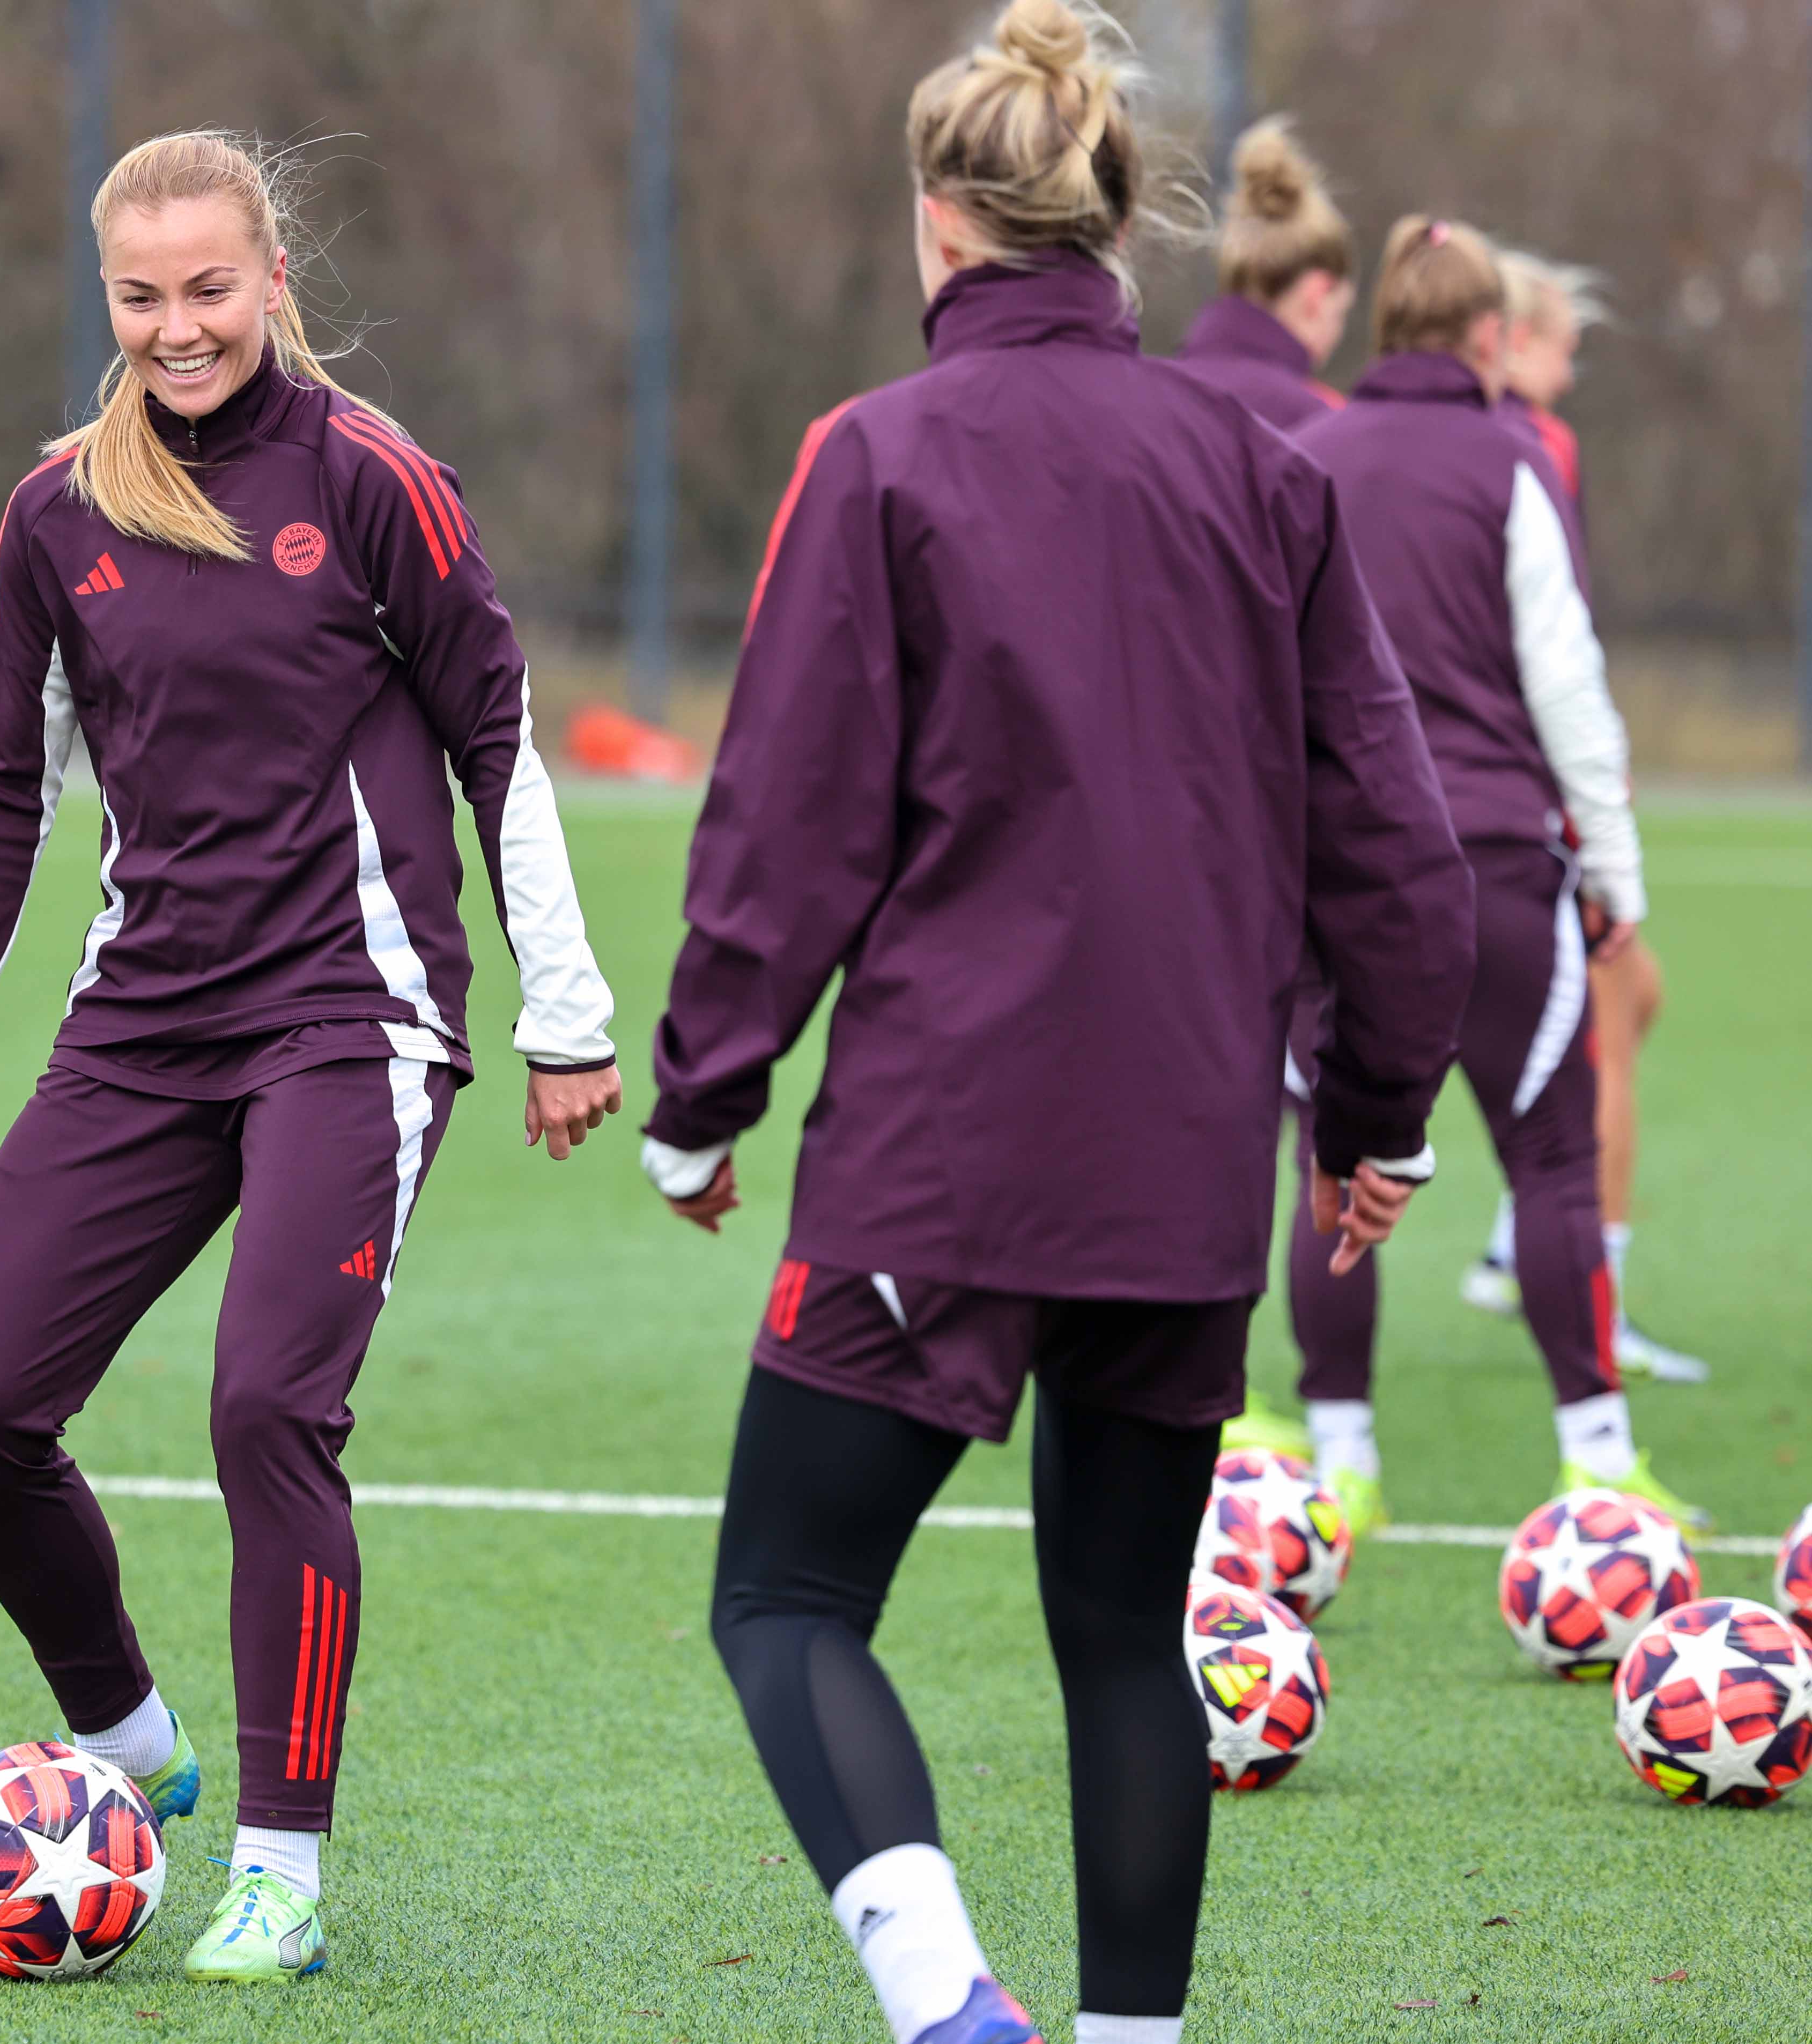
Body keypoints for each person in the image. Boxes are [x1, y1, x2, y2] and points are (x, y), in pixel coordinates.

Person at [639, 7, 1474, 2042]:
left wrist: (702, 1092)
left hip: (945, 1142)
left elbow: (786, 816)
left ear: (937, 220)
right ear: (1120, 231)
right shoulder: (1256, 466)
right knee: (1120, 1631)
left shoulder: (880, 453)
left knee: (787, 1598)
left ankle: (946, 2005)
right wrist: (1372, 1117)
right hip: (1184, 1157)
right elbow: (1402, 849)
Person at [0, 129, 624, 1983]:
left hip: (345, 1017)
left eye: (210, 288)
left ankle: (279, 1866)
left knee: (262, 1410)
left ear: (271, 279)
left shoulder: (371, 481)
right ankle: (128, 1744)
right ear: (105, 301)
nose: (178, 325)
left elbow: (499, 743)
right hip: (143, 1020)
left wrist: (563, 1011)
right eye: (141, 296)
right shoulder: (53, 512)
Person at [1262, 218, 1700, 1526]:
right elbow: (1569, 685)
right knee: (1553, 1162)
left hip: (1335, 877)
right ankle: (1599, 1461)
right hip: (1496, 862)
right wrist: (1612, 870)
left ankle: (1340, 1464)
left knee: (1329, 1166)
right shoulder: (1512, 459)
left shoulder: (1305, 453)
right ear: (1490, 334)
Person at [1456, 251, 1707, 1383]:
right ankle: (1577, 1278)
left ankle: (1518, 1243)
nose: (1571, 366)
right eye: (1562, 343)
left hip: (1477, 791)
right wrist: (1588, 788)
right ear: (1508, 342)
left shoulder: (1445, 439)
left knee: (1623, 997)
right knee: (1603, 1017)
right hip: (1520, 795)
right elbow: (1549, 641)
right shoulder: (1527, 446)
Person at [1173, 117, 1355, 432]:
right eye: (1340, 313)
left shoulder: (1158, 392)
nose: (1335, 337)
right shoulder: (1322, 421)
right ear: (1317, 294)